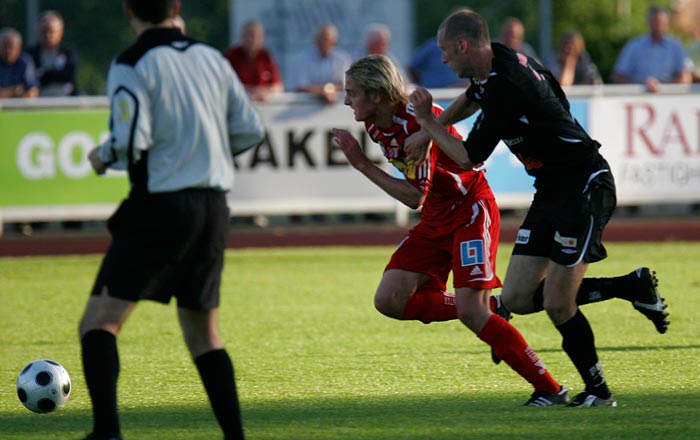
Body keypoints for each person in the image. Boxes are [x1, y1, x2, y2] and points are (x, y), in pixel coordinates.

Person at [406, 8, 669, 408]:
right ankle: (629, 286)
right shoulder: (497, 58)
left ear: (462, 46)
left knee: (557, 303)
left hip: (583, 186)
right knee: (518, 297)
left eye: (445, 51)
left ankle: (599, 392)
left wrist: (428, 122)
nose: (442, 60)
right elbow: (472, 97)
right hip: (551, 188)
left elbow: (465, 157)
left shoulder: (506, 87)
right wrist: (430, 133)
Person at [332, 54, 569, 407]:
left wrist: (362, 164)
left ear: (376, 95)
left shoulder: (413, 122)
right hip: (436, 216)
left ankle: (550, 389)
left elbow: (414, 196)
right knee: (389, 300)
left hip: (470, 210)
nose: (346, 99)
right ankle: (492, 305)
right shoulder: (376, 123)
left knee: (472, 314)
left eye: (352, 92)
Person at [78, 1, 265, 439]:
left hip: (160, 205)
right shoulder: (212, 57)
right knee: (204, 334)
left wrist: (102, 156)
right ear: (177, 8)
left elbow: (129, 141)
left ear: (129, 10)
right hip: (214, 207)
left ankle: (107, 432)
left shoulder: (131, 63)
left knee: (99, 322)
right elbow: (250, 130)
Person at [612, 6, 692, 92]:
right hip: (636, 99)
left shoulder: (676, 46)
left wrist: (661, 86)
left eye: (660, 22)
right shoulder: (634, 45)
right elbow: (618, 75)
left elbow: (686, 77)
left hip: (668, 98)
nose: (656, 26)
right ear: (648, 23)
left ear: (667, 23)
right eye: (654, 22)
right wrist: (642, 87)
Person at [291, 23, 351, 103]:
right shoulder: (302, 60)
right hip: (307, 106)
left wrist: (328, 90)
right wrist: (323, 91)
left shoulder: (343, 59)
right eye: (320, 39)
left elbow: (347, 86)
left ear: (334, 41)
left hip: (338, 106)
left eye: (326, 39)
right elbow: (300, 86)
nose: (323, 42)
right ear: (315, 40)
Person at [224, 20, 283, 102]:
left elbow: (278, 86)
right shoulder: (232, 56)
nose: (252, 40)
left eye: (255, 36)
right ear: (242, 37)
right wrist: (249, 91)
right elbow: (225, 85)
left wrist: (263, 92)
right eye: (249, 36)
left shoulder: (265, 57)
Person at [25, 10, 80, 96]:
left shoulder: (69, 52)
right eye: (44, 31)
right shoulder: (30, 54)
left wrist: (44, 74)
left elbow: (69, 75)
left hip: (66, 99)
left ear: (61, 32)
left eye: (51, 32)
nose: (48, 35)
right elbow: (29, 81)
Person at [0, 27, 39, 98]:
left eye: (11, 47)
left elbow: (32, 92)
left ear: (19, 47)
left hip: (19, 107)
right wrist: (15, 91)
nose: (8, 51)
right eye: (5, 46)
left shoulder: (25, 61)